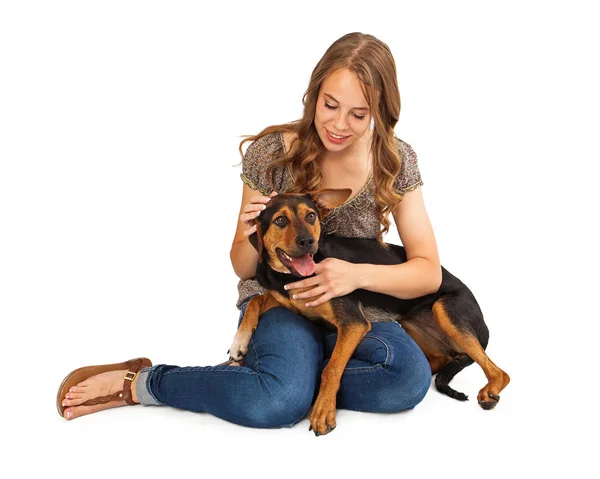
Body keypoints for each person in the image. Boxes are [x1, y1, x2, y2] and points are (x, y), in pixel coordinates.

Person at [58, 32, 439, 428]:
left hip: (353, 305)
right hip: (276, 298)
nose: (340, 124)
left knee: (407, 382)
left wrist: (352, 274)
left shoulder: (395, 160)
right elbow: (242, 267)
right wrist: (251, 232)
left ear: (380, 110)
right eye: (330, 105)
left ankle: (284, 374)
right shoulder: (273, 152)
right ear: (313, 94)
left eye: (359, 114)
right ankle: (143, 382)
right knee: (277, 404)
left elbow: (428, 271)